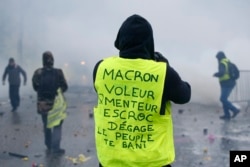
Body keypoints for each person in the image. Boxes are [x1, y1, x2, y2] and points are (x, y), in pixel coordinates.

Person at [93, 14, 191, 167]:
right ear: (149, 43)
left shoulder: (101, 68)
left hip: (112, 160)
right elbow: (184, 95)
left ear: (120, 40)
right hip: (152, 161)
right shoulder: (162, 72)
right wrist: (164, 64)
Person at [32, 51, 68, 154]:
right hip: (56, 104)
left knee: (46, 125)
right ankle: (55, 147)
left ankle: (48, 144)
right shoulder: (58, 72)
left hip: (43, 105)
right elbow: (65, 87)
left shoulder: (38, 72)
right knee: (57, 125)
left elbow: (35, 87)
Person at [213, 51, 240, 120]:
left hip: (227, 83)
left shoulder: (222, 63)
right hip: (229, 82)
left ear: (219, 57)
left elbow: (222, 72)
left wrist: (216, 74)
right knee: (224, 99)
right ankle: (227, 115)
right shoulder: (228, 61)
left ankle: (235, 110)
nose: (217, 60)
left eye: (217, 58)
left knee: (223, 99)